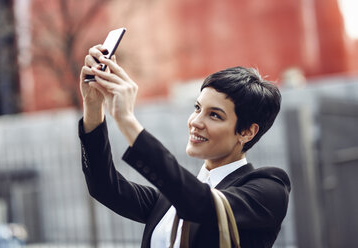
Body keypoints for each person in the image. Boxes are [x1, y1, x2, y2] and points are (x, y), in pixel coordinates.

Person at [78, 44, 291, 248]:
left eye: (214, 115)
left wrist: (127, 120)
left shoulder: (269, 189)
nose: (196, 121)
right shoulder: (170, 199)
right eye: (197, 108)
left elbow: (201, 205)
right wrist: (93, 106)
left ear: (246, 132)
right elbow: (104, 187)